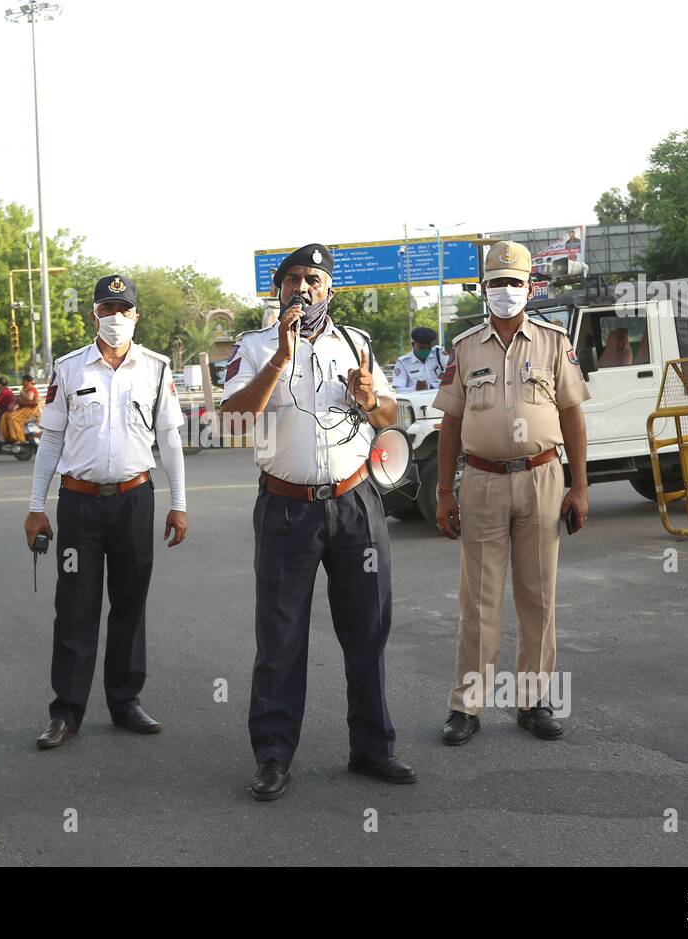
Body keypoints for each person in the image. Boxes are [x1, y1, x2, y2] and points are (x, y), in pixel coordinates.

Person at [219, 243, 416, 801]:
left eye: (314, 280)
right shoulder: (254, 347)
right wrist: (280, 358)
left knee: (368, 630)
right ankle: (274, 756)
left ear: (329, 290)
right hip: (286, 508)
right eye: (293, 280)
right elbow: (232, 423)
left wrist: (372, 398)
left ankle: (373, 748)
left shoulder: (355, 343)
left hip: (356, 504)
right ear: (278, 289)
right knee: (280, 638)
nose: (303, 288)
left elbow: (388, 416)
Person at [433, 240, 590, 746]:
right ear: (484, 289)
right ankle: (467, 706)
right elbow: (450, 423)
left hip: (543, 478)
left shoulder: (553, 342)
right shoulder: (465, 346)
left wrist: (580, 486)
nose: (506, 292)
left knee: (538, 595)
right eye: (496, 283)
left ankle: (534, 701)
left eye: (514, 283)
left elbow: (572, 415)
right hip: (479, 481)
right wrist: (444, 491)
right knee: (478, 599)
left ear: (530, 287)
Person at [24, 274, 188, 749]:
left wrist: (178, 504)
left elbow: (170, 439)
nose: (115, 317)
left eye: (124, 308)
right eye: (106, 308)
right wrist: (37, 506)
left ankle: (125, 700)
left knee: (130, 604)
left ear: (136, 315)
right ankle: (66, 712)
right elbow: (52, 437)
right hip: (80, 504)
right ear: (93, 314)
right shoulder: (70, 368)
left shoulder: (156, 368)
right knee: (75, 608)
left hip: (136, 500)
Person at [392, 326, 446, 391]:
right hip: (418, 400)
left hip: (439, 398)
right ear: (413, 344)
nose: (425, 351)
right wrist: (414, 388)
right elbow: (398, 390)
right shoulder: (403, 362)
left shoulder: (437, 354)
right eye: (421, 348)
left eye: (428, 348)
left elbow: (453, 370)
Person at [3, 373, 40, 443]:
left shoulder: (31, 388)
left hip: (31, 409)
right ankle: (9, 437)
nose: (22, 382)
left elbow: (29, 398)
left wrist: (22, 393)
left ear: (27, 381)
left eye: (23, 381)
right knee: (5, 415)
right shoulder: (25, 389)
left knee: (12, 417)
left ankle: (19, 438)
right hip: (24, 408)